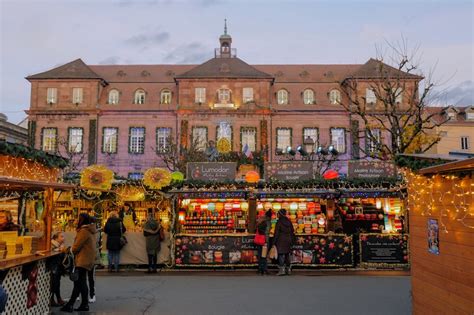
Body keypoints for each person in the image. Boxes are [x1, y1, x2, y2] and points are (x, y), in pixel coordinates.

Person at [60, 213, 96, 313]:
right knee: (79, 283)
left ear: (82, 220)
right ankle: (77, 304)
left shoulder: (84, 231)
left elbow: (76, 248)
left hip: (83, 259)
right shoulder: (90, 230)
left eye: (78, 219)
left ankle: (74, 305)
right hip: (87, 259)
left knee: (80, 283)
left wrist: (66, 249)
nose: (77, 220)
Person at [273, 209, 295, 276]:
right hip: (288, 239)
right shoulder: (289, 221)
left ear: (280, 214)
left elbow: (276, 233)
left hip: (281, 240)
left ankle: (281, 270)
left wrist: (274, 242)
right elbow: (292, 230)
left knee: (281, 255)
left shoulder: (279, 222)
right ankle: (288, 270)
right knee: (287, 254)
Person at [87, 217, 102, 304]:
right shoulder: (97, 231)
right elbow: (98, 243)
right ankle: (92, 295)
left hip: (87, 255)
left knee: (83, 277)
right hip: (93, 255)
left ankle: (91, 294)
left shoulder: (86, 231)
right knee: (90, 276)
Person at [50, 231, 66, 307]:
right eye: (61, 236)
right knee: (54, 283)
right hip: (53, 266)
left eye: (63, 236)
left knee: (57, 283)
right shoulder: (52, 244)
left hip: (58, 266)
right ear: (56, 238)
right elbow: (51, 253)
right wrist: (59, 250)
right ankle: (52, 299)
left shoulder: (61, 245)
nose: (63, 238)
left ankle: (58, 298)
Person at [143, 209, 161, 273]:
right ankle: (155, 268)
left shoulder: (146, 224)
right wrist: (155, 232)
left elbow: (145, 234)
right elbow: (158, 232)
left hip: (149, 241)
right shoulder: (157, 223)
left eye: (147, 217)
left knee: (150, 255)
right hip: (156, 240)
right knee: (155, 254)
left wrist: (150, 233)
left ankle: (150, 267)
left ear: (148, 217)